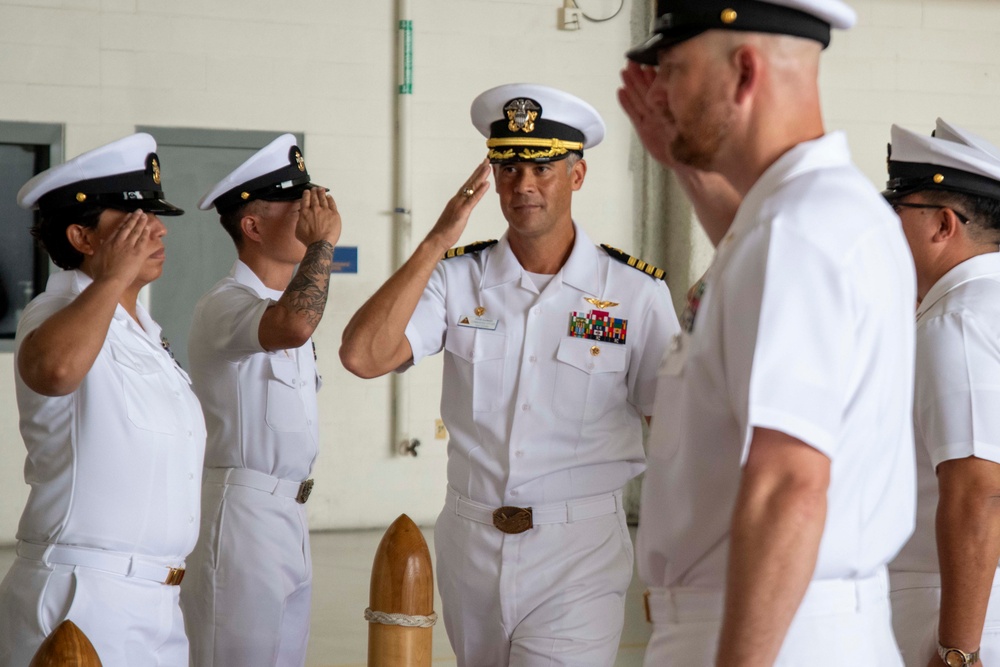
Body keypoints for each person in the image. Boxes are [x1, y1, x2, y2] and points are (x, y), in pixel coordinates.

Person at [621, 1, 918, 664]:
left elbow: (789, 485)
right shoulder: (832, 211)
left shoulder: (792, 235)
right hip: (803, 618)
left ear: (744, 73)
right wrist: (686, 168)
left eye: (673, 69)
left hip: (766, 627)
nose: (661, 93)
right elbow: (752, 287)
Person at [340, 83, 677, 666]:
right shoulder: (456, 279)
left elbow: (674, 427)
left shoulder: (634, 294)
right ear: (491, 178)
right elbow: (364, 356)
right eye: (510, 166)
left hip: (578, 549)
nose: (524, 184)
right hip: (469, 544)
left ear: (577, 176)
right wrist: (434, 242)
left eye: (543, 167)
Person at [0, 133, 205, 666]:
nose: (157, 231)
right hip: (86, 593)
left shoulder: (139, 328)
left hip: (157, 599)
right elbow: (54, 370)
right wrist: (113, 275)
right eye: (134, 224)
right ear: (82, 237)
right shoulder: (54, 312)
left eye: (155, 219)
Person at [178, 134, 340, 667]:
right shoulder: (226, 305)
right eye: (301, 209)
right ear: (252, 226)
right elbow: (293, 326)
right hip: (242, 516)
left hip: (289, 514)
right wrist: (323, 246)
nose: (315, 218)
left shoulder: (276, 304)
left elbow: (293, 320)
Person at [886, 119, 1000, 667]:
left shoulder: (958, 321)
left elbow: (977, 490)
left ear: (942, 225)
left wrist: (957, 651)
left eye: (896, 213)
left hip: (950, 609)